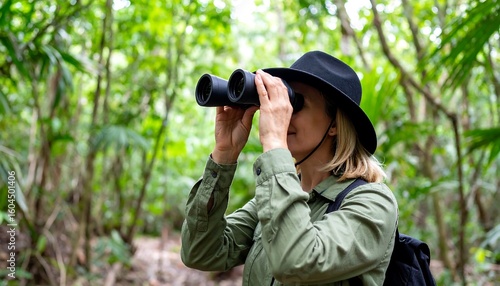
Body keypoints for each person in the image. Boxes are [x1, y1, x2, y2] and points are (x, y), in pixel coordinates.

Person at [181, 51, 398, 285]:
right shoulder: (275, 197)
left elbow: (297, 262)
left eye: (294, 102)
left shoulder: (373, 202)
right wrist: (225, 153)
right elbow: (200, 252)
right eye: (280, 101)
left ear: (334, 123)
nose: (281, 112)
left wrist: (274, 141)